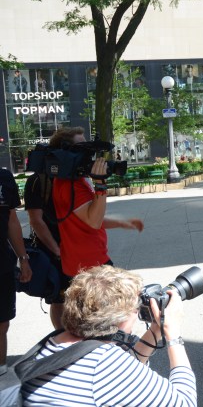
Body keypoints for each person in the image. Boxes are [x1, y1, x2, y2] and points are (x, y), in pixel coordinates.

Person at [21, 265, 196, 405]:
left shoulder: (53, 343)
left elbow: (125, 366)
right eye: (135, 308)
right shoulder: (105, 366)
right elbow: (185, 402)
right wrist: (173, 333)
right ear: (121, 320)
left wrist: (156, 329)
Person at [50, 127, 144, 280]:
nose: (88, 153)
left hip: (86, 263)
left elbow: (88, 218)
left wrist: (121, 223)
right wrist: (100, 184)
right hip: (90, 266)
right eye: (82, 148)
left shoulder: (73, 179)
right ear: (67, 153)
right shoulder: (69, 185)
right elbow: (94, 222)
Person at [0, 167, 32, 376]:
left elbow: (12, 219)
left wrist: (23, 258)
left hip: (2, 263)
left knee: (2, 323)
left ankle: (1, 374)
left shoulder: (3, 177)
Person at [24, 168, 64, 329]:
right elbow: (35, 220)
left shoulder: (77, 176)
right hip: (54, 251)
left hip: (78, 248)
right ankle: (61, 337)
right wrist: (56, 250)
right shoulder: (38, 180)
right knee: (59, 298)